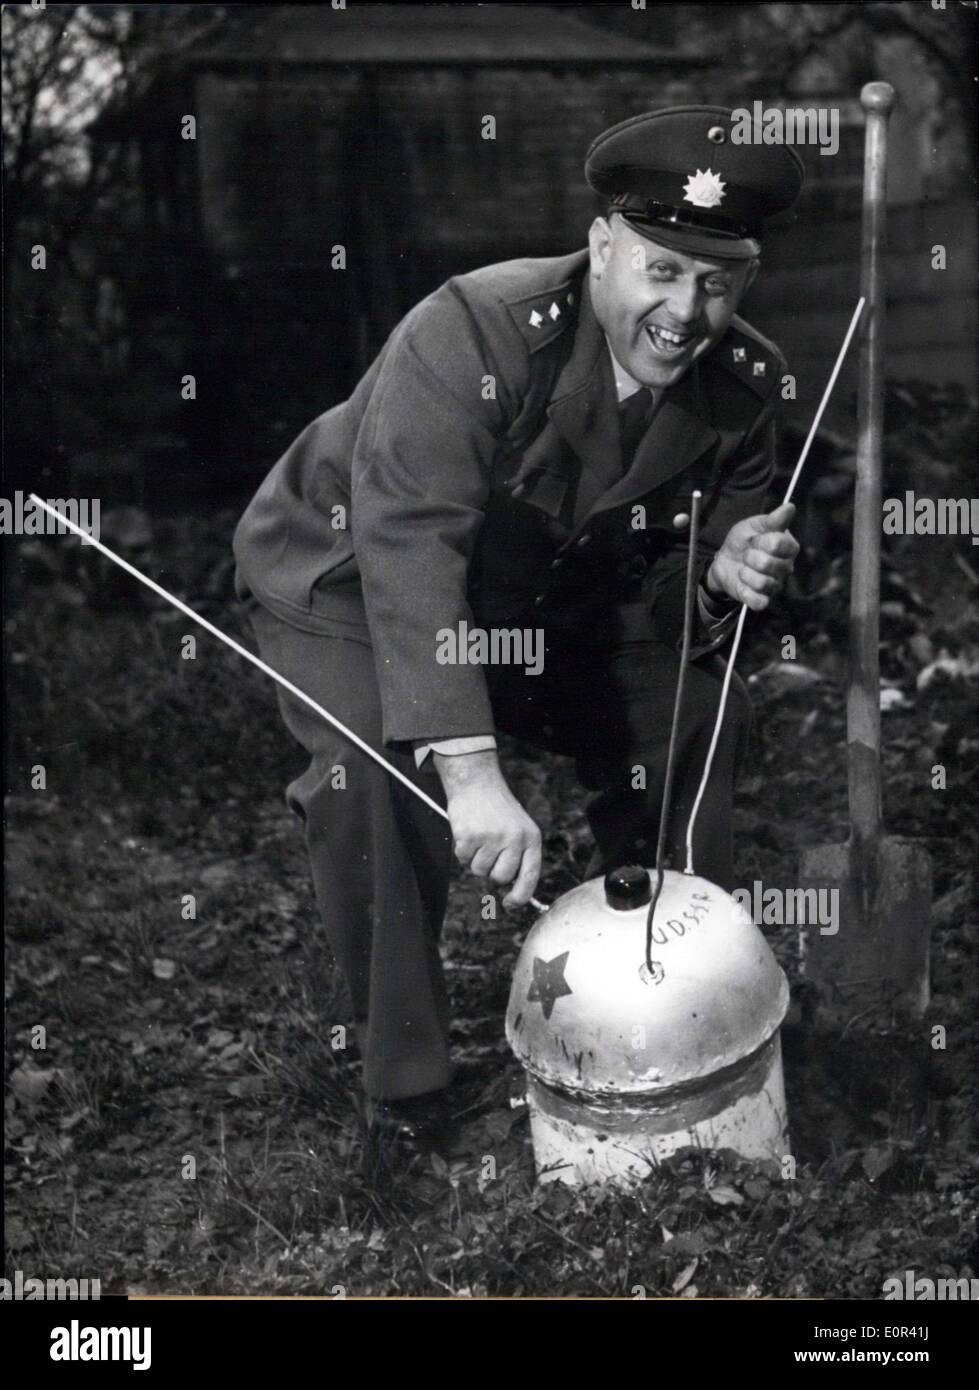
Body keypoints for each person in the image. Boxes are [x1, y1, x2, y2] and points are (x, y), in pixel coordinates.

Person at [232, 106, 804, 1147]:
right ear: (600, 248)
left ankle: (674, 1011)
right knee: (377, 782)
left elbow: (672, 584)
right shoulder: (478, 328)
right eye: (661, 271)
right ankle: (404, 1092)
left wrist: (716, 575)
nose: (687, 311)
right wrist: (471, 772)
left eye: (717, 282)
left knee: (689, 712)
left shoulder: (746, 386)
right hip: (351, 579)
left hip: (548, 598)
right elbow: (409, 543)